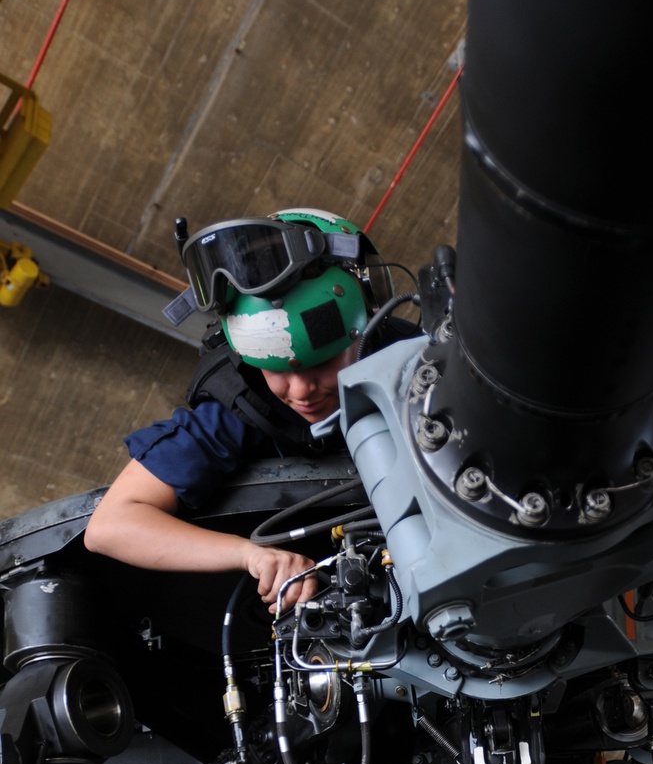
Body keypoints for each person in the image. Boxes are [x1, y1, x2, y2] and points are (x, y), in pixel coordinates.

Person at [84, 208, 409, 609]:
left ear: (367, 329)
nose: (301, 391)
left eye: (321, 364)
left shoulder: (422, 367)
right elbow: (111, 524)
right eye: (276, 370)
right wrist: (251, 555)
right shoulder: (240, 407)